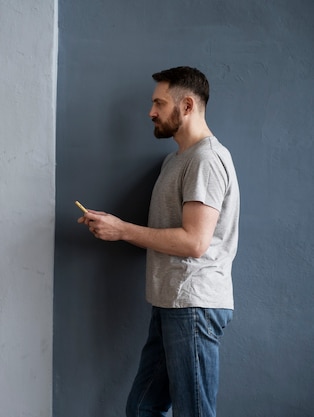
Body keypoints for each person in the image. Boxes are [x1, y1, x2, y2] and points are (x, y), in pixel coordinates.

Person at [78, 66, 239, 417]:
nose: (151, 112)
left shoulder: (206, 160)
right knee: (142, 408)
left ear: (187, 106)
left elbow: (195, 242)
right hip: (170, 301)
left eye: (159, 103)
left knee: (193, 411)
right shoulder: (176, 160)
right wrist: (112, 225)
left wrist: (122, 230)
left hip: (193, 304)